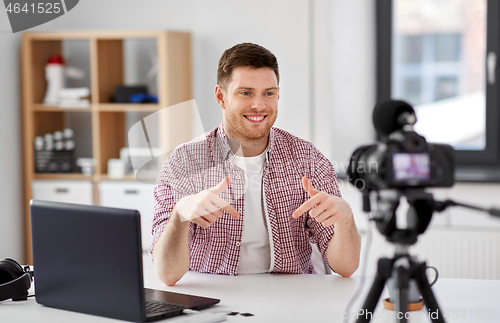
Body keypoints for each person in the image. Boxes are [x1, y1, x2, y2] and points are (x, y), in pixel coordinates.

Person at [151, 43, 361, 286]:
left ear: (278, 95)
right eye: (246, 93)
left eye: (269, 93)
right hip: (214, 293)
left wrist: (345, 219)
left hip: (293, 295)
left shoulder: (308, 158)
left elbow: (346, 267)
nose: (259, 105)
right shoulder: (184, 161)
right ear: (221, 96)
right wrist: (180, 215)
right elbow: (167, 274)